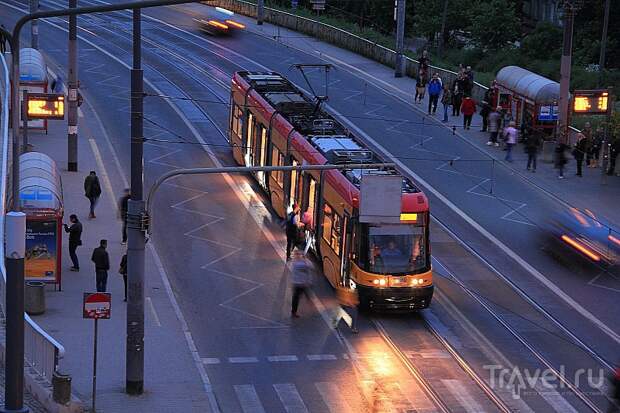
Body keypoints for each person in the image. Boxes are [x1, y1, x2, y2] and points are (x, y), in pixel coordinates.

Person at [288, 249, 314, 318]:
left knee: (305, 293)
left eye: (300, 255)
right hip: (298, 284)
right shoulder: (296, 263)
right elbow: (309, 266)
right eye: (298, 255)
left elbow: (311, 266)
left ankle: (309, 302)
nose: (299, 256)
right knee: (296, 298)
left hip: (303, 283)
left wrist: (305, 259)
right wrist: (305, 259)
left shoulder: (300, 262)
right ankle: (294, 312)